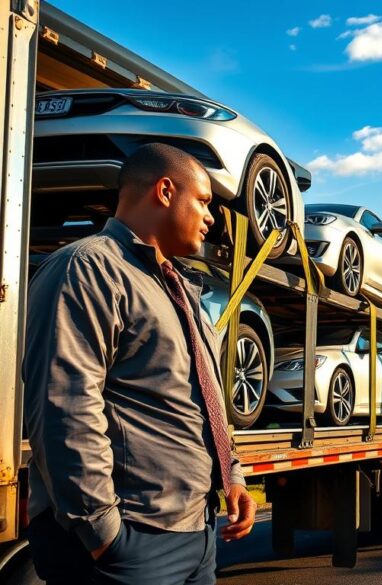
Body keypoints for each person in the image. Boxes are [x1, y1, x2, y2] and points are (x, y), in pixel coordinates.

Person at [22, 143, 256, 584]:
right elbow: (64, 405)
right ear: (165, 191)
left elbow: (201, 401)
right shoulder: (87, 269)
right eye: (204, 202)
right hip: (130, 542)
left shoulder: (180, 289)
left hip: (195, 533)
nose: (212, 218)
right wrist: (103, 533)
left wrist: (233, 477)